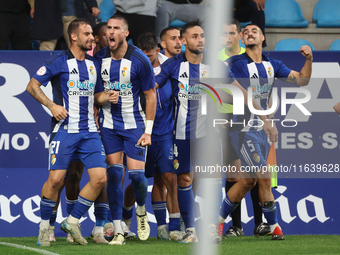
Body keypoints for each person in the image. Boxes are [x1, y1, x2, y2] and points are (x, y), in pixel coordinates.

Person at [216, 23, 313, 240]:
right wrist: (267, 120)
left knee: (248, 180)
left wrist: (309, 59)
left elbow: (303, 80)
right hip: (241, 128)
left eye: (254, 31)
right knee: (264, 175)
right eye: (246, 31)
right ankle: (274, 226)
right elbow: (242, 96)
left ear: (263, 37)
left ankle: (217, 221)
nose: (250, 33)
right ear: (242, 38)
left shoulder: (272, 64)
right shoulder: (233, 64)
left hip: (262, 130)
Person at [26, 18, 118, 246]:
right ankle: (44, 226)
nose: (92, 37)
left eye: (92, 34)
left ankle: (73, 220)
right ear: (74, 36)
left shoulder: (93, 64)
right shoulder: (58, 60)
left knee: (99, 179)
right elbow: (32, 86)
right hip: (64, 130)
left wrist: (107, 96)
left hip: (89, 132)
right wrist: (52, 106)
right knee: (56, 180)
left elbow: (96, 96)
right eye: (87, 33)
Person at [94, 14, 157, 245]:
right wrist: (101, 99)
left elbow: (151, 97)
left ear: (126, 33)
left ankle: (140, 208)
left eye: (117, 28)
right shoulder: (99, 58)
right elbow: (94, 95)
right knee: (113, 174)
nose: (111, 32)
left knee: (138, 177)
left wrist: (147, 131)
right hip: (109, 126)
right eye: (108, 28)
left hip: (135, 126)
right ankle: (119, 229)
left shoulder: (140, 60)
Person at [121, 27, 183, 240]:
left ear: (158, 50)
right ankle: (126, 221)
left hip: (164, 134)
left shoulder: (170, 68)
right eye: (144, 56)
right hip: (139, 133)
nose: (147, 60)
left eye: (151, 55)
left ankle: (171, 227)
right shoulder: (132, 71)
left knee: (168, 178)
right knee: (137, 180)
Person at [217, 18, 270, 237]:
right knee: (234, 174)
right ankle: (236, 226)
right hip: (228, 119)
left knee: (256, 173)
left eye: (232, 33)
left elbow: (260, 90)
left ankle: (260, 223)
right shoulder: (218, 60)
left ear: (239, 35)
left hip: (253, 120)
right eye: (224, 34)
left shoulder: (253, 60)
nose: (227, 38)